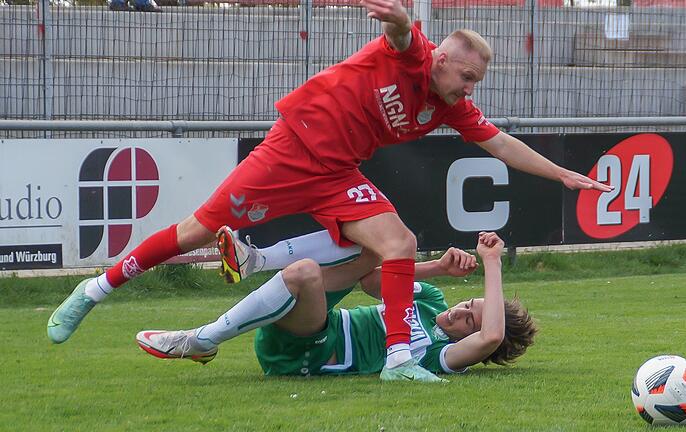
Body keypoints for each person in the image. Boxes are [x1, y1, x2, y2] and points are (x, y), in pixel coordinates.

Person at [47, 0, 607, 382]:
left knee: (397, 243)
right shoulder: (415, 54)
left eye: (476, 82)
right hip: (292, 149)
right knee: (195, 229)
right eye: (466, 77)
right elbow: (402, 36)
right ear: (440, 60)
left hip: (337, 173)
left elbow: (502, 144)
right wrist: (400, 20)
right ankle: (94, 290)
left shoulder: (451, 106)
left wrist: (560, 173)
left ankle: (395, 360)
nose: (469, 89)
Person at [136, 232, 537, 380]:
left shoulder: (448, 357)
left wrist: (491, 261)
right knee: (367, 243)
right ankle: (253, 260)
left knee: (304, 273)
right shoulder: (431, 299)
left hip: (312, 352)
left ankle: (206, 335)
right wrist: (438, 268)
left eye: (467, 319)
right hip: (317, 324)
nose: (458, 312)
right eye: (467, 303)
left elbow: (493, 334)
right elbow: (372, 279)